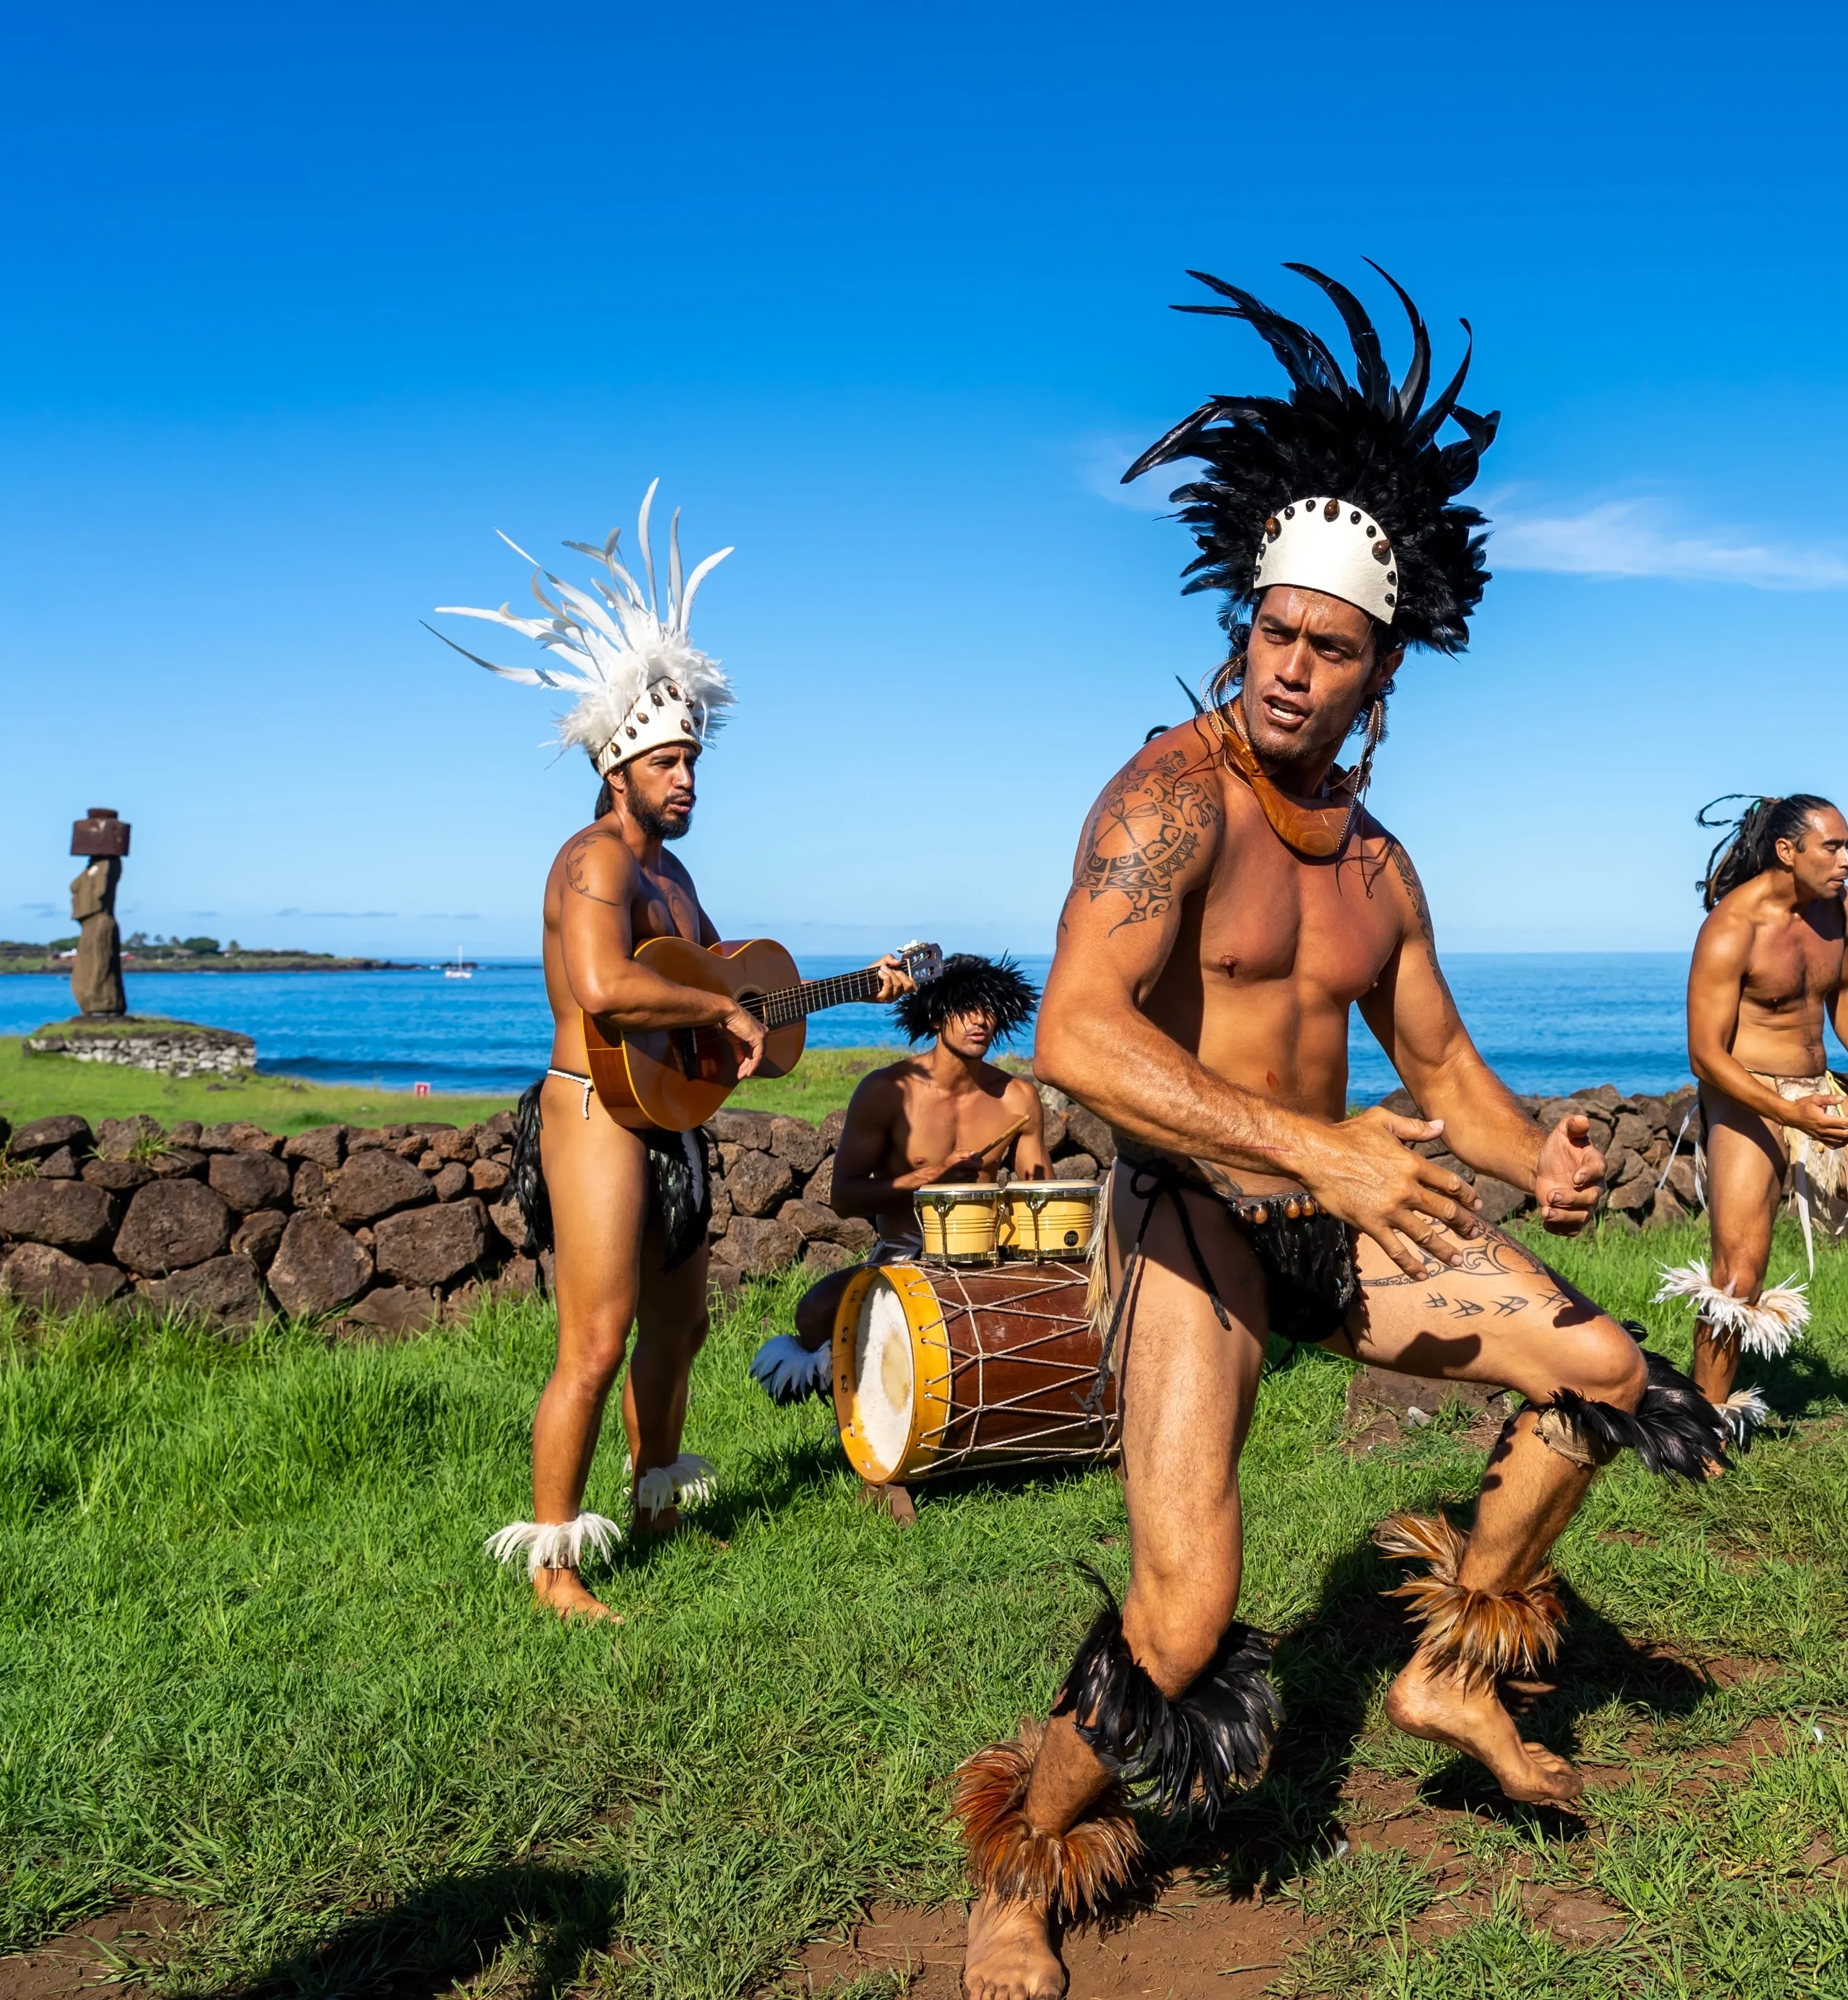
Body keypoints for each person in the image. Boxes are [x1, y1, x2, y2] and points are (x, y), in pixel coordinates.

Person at [953, 264, 1727, 2000]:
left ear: (1384, 667)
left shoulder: (1380, 868)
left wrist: (1536, 1156)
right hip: (1193, 1219)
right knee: (1180, 1619)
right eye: (1274, 633)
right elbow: (1077, 1036)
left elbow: (1442, 1066)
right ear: (1246, 623)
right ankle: (1020, 1863)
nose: (1293, 670)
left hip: (1346, 1207)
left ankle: (1451, 1664)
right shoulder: (1165, 795)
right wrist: (1317, 1155)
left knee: (1607, 1370)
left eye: (1331, 647)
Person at [433, 483, 909, 1621]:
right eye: (669, 765)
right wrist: (718, 1016)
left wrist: (838, 991)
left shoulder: (677, 877)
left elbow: (718, 988)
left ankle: (654, 1503)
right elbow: (604, 986)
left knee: (682, 1324)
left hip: (666, 1121)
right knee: (593, 1342)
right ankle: (552, 1564)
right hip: (591, 1117)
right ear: (619, 768)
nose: (688, 779)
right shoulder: (593, 861)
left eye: (695, 761)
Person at [1661, 792, 1848, 1438]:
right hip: (1749, 1095)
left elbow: (1846, 991)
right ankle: (1702, 1430)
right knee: (1737, 1275)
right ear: (1787, 851)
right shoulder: (1731, 927)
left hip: (1818, 1088)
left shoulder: (1841, 909)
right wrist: (1789, 1114)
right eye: (1834, 847)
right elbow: (1705, 1056)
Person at [753, 956, 1051, 1403]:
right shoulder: (885, 1091)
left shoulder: (1017, 1098)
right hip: (904, 1256)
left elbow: (1040, 1198)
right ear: (935, 1014)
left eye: (990, 1009)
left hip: (986, 1258)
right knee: (814, 1312)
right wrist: (928, 1176)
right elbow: (844, 1199)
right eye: (966, 1007)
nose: (980, 1021)